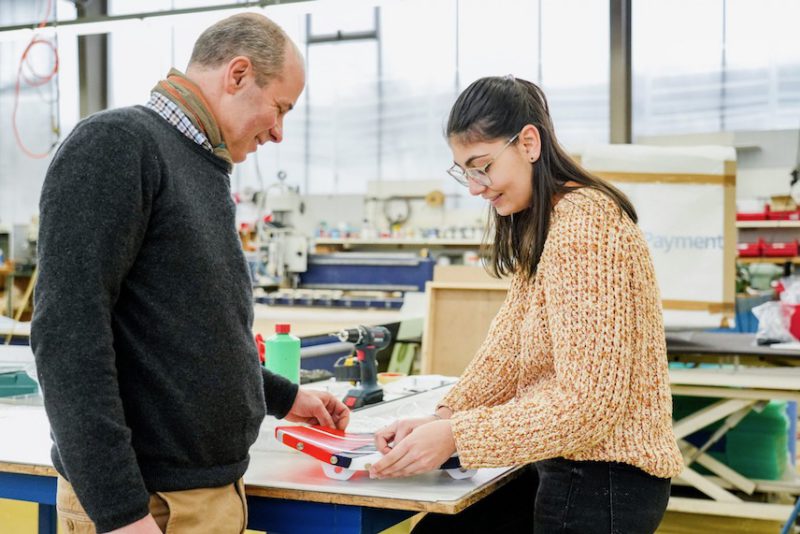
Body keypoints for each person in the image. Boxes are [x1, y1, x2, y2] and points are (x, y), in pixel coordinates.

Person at [32, 13, 349, 534]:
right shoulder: (117, 145)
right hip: (150, 506)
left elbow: (190, 335)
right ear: (239, 74)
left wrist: (285, 398)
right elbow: (69, 337)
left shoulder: (200, 165)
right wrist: (121, 513)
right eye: (280, 109)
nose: (278, 132)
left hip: (201, 496)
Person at [369, 76, 684, 533]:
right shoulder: (545, 224)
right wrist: (439, 419)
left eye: (482, 167)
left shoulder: (584, 226)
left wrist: (458, 436)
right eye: (465, 172)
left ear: (529, 143)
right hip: (562, 463)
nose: (476, 187)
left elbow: (588, 404)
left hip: (605, 481)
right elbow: (506, 352)